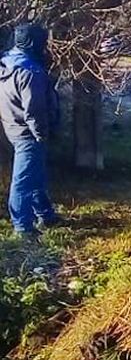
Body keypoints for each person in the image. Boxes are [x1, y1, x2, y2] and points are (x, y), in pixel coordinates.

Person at [0, 22, 62, 240]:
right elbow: (34, 110)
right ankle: (22, 226)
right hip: (28, 132)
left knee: (35, 173)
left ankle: (45, 214)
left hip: (12, 127)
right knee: (24, 178)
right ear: (35, 43)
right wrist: (41, 134)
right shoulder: (30, 72)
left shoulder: (7, 62)